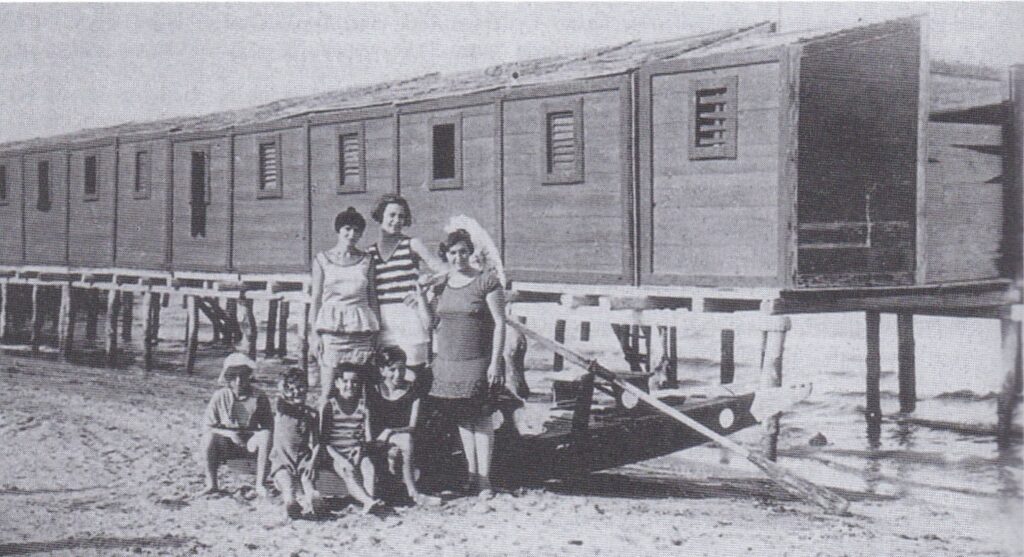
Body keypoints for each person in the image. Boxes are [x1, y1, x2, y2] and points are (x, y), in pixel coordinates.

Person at [426, 229, 506, 498]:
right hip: (449, 362)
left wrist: (495, 362)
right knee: (462, 418)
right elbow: (433, 323)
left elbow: (500, 324)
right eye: (453, 252)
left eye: (463, 251)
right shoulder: (441, 285)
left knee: (481, 419)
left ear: (470, 253)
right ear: (446, 256)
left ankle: (485, 480)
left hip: (477, 361)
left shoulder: (486, 282)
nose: (458, 257)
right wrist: (420, 294)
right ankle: (472, 476)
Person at [367, 194, 446, 373]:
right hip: (383, 322)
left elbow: (444, 272)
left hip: (409, 319)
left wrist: (423, 292)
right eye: (391, 215)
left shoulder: (412, 244)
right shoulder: (370, 252)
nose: (396, 221)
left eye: (401, 216)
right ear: (381, 216)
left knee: (413, 375)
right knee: (386, 377)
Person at [310, 207, 380, 401]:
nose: (352, 234)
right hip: (332, 333)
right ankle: (322, 430)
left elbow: (372, 296)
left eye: (357, 230)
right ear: (338, 230)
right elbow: (315, 298)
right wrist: (314, 335)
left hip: (362, 333)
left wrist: (377, 332)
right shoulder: (322, 260)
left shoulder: (367, 260)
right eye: (347, 229)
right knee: (327, 391)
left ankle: (363, 431)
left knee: (364, 392)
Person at [370, 346, 442, 506]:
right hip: (377, 441)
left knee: (406, 439)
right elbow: (369, 424)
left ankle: (414, 494)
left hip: (401, 438)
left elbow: (412, 426)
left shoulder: (411, 390)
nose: (398, 374)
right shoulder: (373, 391)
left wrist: (390, 431)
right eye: (392, 369)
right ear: (382, 370)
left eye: (402, 369)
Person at [198, 353, 273, 497]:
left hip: (251, 442)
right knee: (208, 438)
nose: (239, 381)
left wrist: (255, 436)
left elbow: (268, 425)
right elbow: (207, 426)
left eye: (243, 376)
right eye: (234, 376)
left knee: (265, 435)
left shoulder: (259, 396)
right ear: (228, 378)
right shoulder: (220, 396)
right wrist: (229, 434)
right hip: (228, 442)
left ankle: (260, 484)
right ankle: (212, 484)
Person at [315, 362, 383, 514]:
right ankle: (368, 501)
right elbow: (324, 441)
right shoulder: (330, 406)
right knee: (347, 471)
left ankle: (368, 502)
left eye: (354, 382)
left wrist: (360, 450)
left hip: (356, 450)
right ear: (337, 383)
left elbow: (367, 437)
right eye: (345, 381)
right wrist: (341, 459)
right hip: (335, 453)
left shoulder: (363, 407)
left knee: (368, 468)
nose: (350, 385)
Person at [270, 368, 321, 519]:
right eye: (290, 389)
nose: (296, 392)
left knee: (308, 480)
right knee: (287, 484)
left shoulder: (311, 414)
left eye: (300, 387)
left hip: (303, 458)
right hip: (282, 459)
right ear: (284, 390)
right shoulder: (281, 408)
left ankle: (313, 499)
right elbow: (283, 399)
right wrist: (284, 389)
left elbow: (318, 442)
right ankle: (290, 503)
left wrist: (313, 462)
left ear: (307, 388)